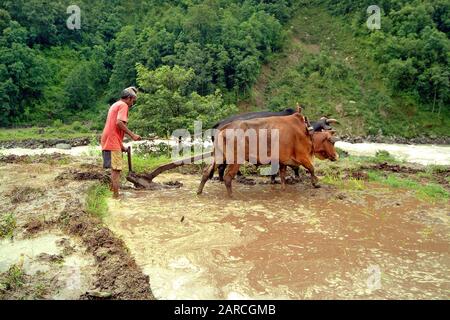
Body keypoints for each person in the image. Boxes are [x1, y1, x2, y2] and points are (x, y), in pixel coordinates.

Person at [101, 87, 141, 198]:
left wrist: (121, 146)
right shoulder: (124, 105)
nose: (132, 103)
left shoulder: (115, 104)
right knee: (116, 169)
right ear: (128, 98)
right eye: (133, 100)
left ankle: (113, 193)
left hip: (108, 138)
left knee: (114, 168)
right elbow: (119, 123)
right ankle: (116, 196)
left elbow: (113, 127)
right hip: (112, 140)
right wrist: (133, 135)